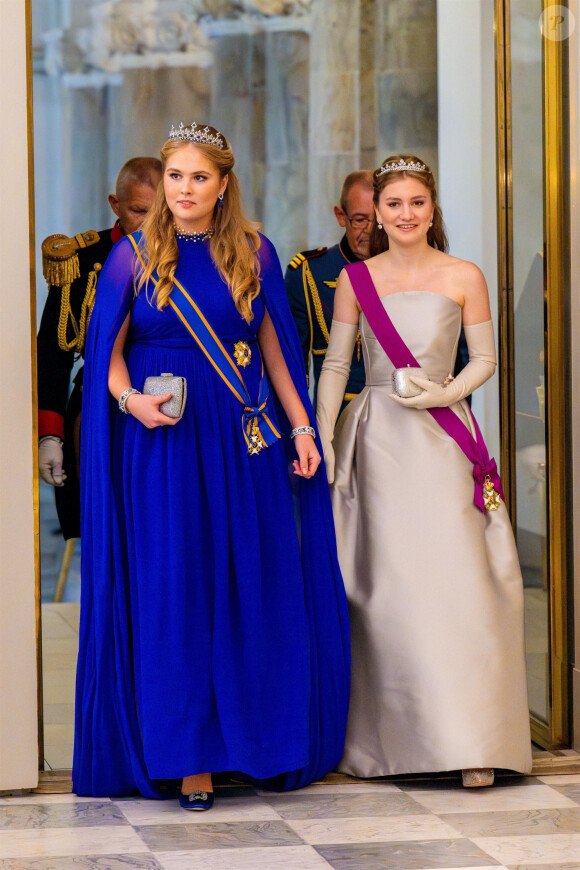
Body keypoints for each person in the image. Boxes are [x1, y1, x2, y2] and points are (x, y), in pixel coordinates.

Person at [73, 122, 350, 807]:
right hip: (161, 441)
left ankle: (253, 741)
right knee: (177, 589)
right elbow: (104, 352)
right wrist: (131, 399)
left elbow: (277, 351)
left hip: (239, 440)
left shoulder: (254, 252)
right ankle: (189, 755)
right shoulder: (130, 257)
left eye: (200, 177)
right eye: (175, 177)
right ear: (162, 185)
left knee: (245, 583)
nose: (186, 190)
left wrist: (304, 426)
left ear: (224, 184)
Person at [317, 154, 532, 786]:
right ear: (375, 213)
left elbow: (486, 358)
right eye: (393, 205)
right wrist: (325, 435)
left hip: (443, 438)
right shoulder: (357, 280)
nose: (405, 214)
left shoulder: (464, 273)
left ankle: (473, 742)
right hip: (379, 438)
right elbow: (335, 365)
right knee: (390, 592)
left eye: (417, 203)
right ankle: (396, 744)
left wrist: (446, 394)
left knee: (461, 586)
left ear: (432, 208)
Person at [37, 157, 162, 539]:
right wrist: (49, 434)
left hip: (166, 398)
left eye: (160, 211)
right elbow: (54, 353)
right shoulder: (81, 261)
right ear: (116, 205)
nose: (150, 223)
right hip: (100, 405)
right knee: (105, 525)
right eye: (139, 211)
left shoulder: (187, 257)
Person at [285, 171, 373, 410]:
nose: (370, 230)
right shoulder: (307, 272)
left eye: (378, 219)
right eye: (360, 219)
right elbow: (295, 364)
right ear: (341, 216)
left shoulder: (407, 271)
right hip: (334, 419)